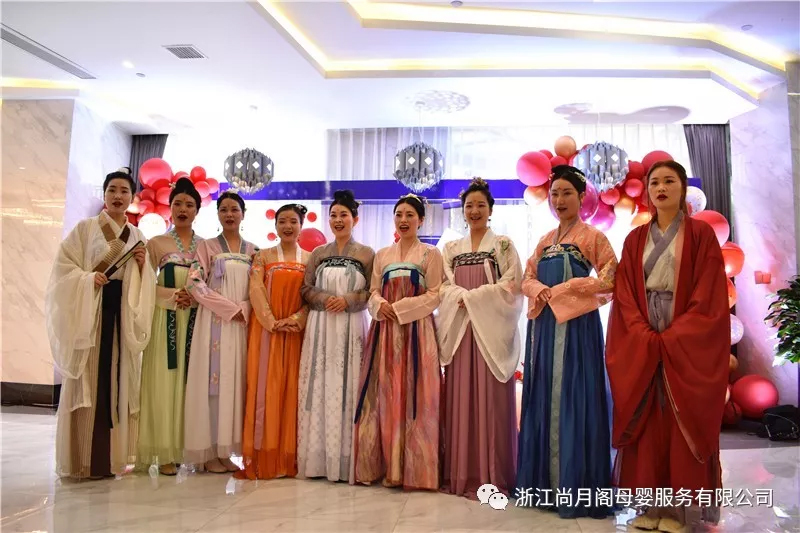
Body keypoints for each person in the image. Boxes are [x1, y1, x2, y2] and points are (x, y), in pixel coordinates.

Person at [606, 160, 729, 533]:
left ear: (682, 188)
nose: (661, 188)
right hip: (644, 334)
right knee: (647, 419)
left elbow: (709, 293)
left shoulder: (701, 235)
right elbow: (625, 294)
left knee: (679, 419)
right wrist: (642, 333)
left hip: (684, 336)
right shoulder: (634, 239)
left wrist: (676, 335)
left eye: (669, 181)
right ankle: (649, 505)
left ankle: (677, 510)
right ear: (647, 191)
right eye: (654, 182)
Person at [516, 165, 618, 518]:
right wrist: (538, 289)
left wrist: (568, 288)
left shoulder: (593, 237)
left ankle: (577, 486)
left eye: (567, 193)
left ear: (581, 197)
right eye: (555, 194)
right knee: (546, 393)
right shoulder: (545, 239)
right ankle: (545, 485)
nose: (560, 200)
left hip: (577, 328)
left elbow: (611, 277)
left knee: (575, 394)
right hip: (546, 326)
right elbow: (527, 276)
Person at [46, 167, 155, 479]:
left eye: (124, 191)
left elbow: (147, 281)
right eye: (112, 190)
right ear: (104, 195)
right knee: (89, 380)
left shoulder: (137, 236)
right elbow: (63, 268)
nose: (118, 196)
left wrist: (142, 267)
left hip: (121, 315)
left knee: (119, 381)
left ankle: (113, 460)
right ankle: (83, 460)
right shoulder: (85, 229)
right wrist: (86, 278)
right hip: (91, 314)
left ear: (132, 198)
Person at [437, 177, 523, 499]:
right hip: (462, 330)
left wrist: (473, 298)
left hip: (489, 329)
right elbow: (443, 286)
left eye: (480, 205)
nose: (474, 211)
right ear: (462, 210)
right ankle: (462, 473)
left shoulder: (502, 245)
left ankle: (494, 473)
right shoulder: (451, 248)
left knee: (491, 400)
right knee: (460, 396)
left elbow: (512, 284)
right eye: (469, 206)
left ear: (490, 210)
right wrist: (459, 297)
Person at [354, 194, 443, 490]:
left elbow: (435, 294)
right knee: (385, 392)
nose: (403, 220)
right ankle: (386, 465)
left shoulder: (431, 254)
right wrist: (380, 305)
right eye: (399, 215)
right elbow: (373, 291)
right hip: (385, 331)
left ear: (421, 220)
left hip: (417, 331)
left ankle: (417, 470)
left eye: (410, 215)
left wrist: (402, 308)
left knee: (417, 393)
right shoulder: (383, 255)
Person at [297, 190, 375, 482]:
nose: (338, 220)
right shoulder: (318, 253)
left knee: (349, 385)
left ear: (355, 219)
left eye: (344, 215)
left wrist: (347, 300)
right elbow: (305, 289)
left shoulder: (367, 254)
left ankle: (347, 460)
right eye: (333, 215)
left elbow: (372, 292)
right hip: (321, 325)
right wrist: (326, 299)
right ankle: (318, 460)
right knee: (320, 383)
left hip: (351, 324)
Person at [183, 191, 257, 474]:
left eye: (234, 209)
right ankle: (209, 451)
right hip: (213, 323)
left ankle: (226, 450)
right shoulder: (207, 247)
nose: (229, 214)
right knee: (212, 384)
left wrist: (244, 309)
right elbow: (194, 283)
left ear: (243, 214)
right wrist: (228, 308)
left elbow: (259, 290)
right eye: (223, 209)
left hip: (240, 325)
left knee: (234, 383)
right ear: (217, 214)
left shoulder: (254, 251)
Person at [238, 204, 310, 480]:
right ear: (275, 225)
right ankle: (265, 453)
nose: (288, 226)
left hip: (295, 332)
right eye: (282, 221)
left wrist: (296, 319)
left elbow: (311, 295)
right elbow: (255, 290)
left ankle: (289, 456)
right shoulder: (262, 257)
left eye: (293, 221)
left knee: (292, 389)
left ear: (301, 225)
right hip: (267, 331)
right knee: (266, 389)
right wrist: (271, 321)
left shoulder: (310, 259)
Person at [137, 178, 201, 475]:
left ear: (197, 210)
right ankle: (163, 451)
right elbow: (143, 285)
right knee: (164, 382)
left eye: (189, 204)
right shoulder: (156, 244)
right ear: (170, 208)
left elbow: (213, 285)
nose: (183, 209)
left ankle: (186, 449)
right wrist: (174, 295)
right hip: (165, 320)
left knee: (191, 384)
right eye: (177, 204)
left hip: (196, 322)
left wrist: (196, 297)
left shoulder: (205, 246)